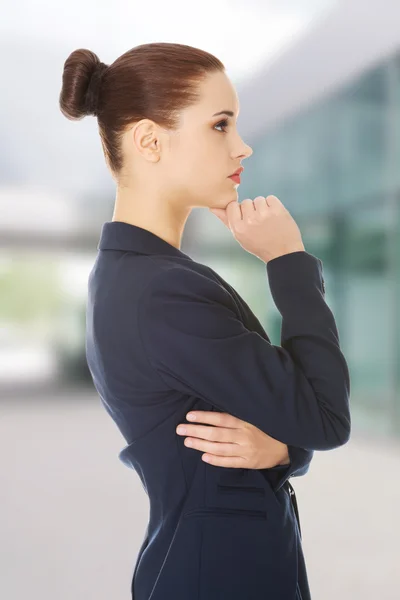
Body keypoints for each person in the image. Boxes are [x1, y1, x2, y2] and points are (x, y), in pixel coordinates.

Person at [59, 42, 351, 600]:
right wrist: (287, 260)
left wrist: (286, 448)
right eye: (220, 125)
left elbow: (288, 414)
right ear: (149, 140)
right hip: (216, 575)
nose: (241, 146)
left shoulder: (143, 275)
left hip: (212, 563)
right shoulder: (162, 292)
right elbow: (325, 416)